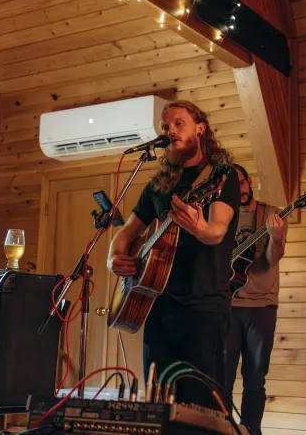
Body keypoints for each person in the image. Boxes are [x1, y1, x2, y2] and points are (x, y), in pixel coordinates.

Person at [107, 100, 240, 409]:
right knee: (158, 401)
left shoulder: (221, 176)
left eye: (179, 123)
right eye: (166, 127)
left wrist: (197, 226)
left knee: (201, 405)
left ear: (200, 128)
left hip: (202, 305)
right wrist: (113, 257)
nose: (170, 131)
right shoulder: (158, 185)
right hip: (155, 302)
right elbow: (127, 231)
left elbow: (217, 231)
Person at [224, 164, 287, 435]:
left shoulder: (271, 214)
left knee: (255, 377)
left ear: (248, 181)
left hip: (261, 305)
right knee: (222, 377)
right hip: (227, 303)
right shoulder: (222, 216)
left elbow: (272, 259)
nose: (239, 189)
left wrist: (276, 237)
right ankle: (222, 429)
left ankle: (252, 430)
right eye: (231, 187)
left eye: (240, 182)